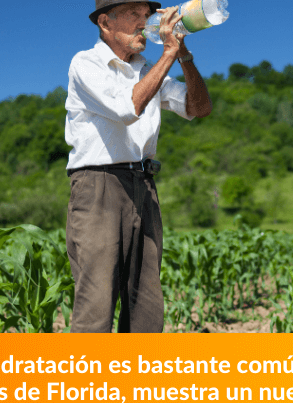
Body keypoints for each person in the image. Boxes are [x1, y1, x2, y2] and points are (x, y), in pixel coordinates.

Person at [64, 0, 212, 333]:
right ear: (105, 22)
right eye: (134, 14)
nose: (144, 23)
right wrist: (168, 56)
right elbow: (128, 107)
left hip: (144, 185)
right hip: (99, 185)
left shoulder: (147, 70)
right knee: (96, 304)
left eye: (146, 15)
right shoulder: (86, 64)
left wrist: (184, 55)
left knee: (146, 304)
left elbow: (199, 107)